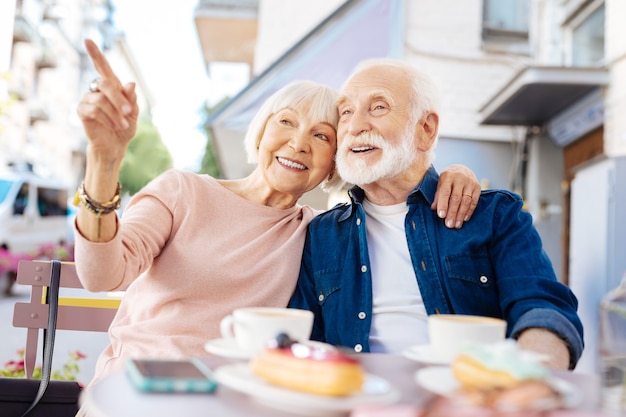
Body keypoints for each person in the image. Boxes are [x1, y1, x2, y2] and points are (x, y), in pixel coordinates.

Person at [74, 40, 481, 387]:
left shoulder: (315, 234)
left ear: (336, 162)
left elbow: (394, 173)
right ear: (262, 131)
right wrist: (104, 162)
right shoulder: (183, 191)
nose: (298, 143)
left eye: (321, 135)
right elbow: (102, 274)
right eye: (286, 122)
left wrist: (454, 174)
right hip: (137, 390)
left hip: (233, 401)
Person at [289, 58, 584, 370]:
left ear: (425, 130)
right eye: (346, 112)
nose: (355, 125)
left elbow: (541, 308)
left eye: (378, 107)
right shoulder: (321, 234)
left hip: (465, 396)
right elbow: (305, 338)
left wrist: (533, 377)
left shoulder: (495, 215)